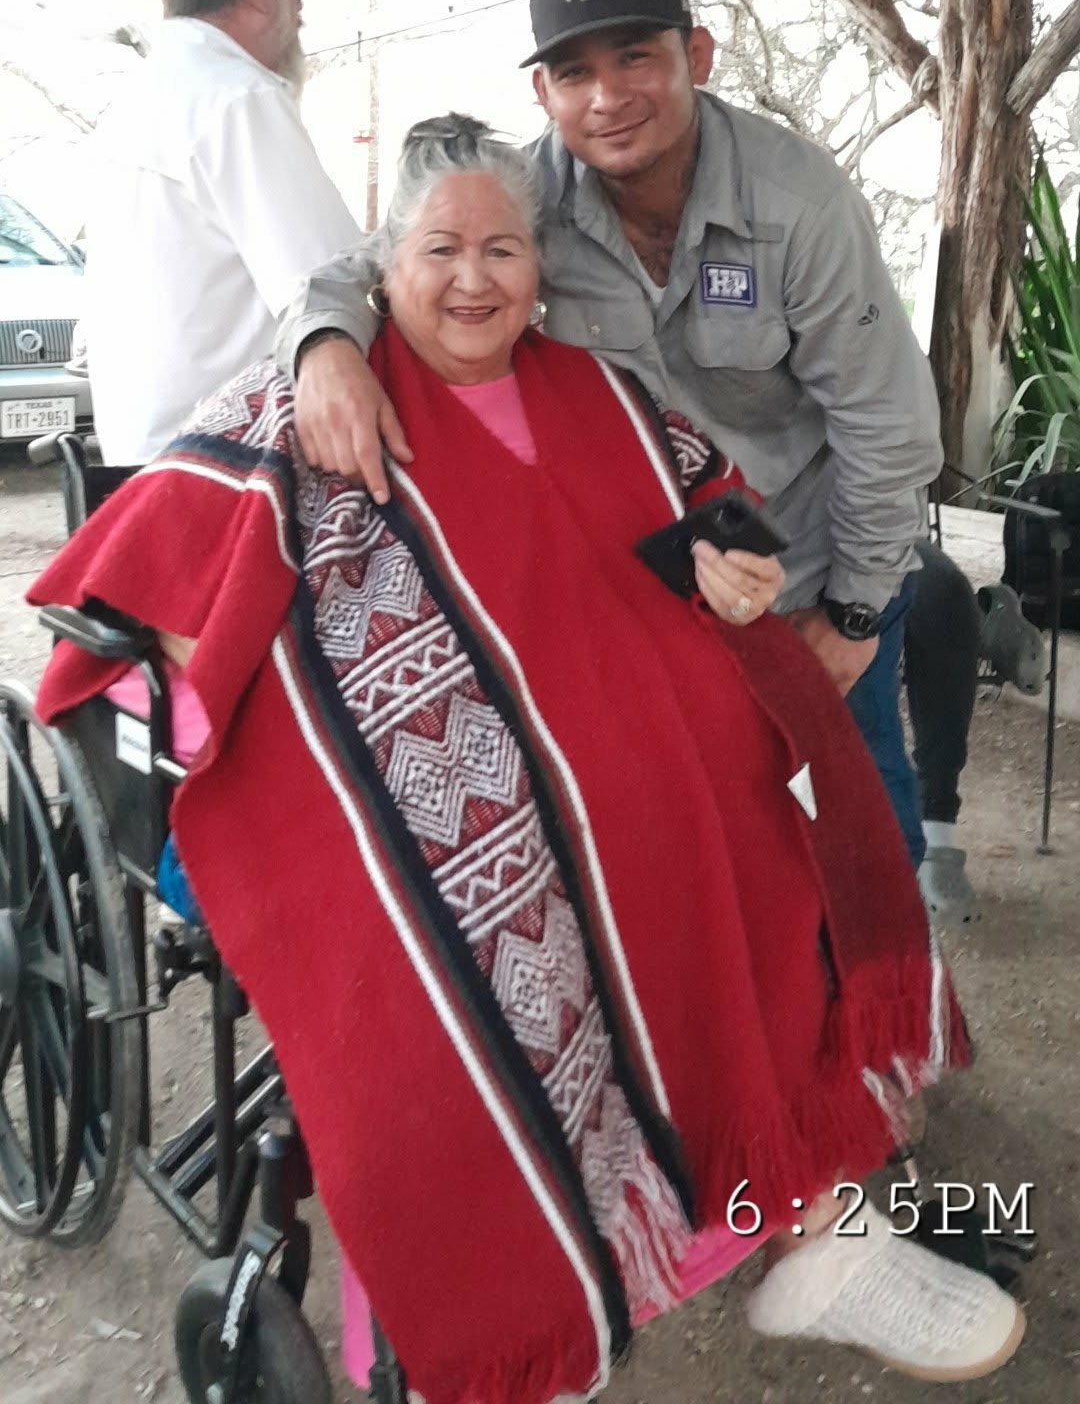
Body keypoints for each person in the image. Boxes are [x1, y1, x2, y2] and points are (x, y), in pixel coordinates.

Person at [30, 119, 1022, 1404]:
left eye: (502, 249)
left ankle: (804, 1228)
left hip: (636, 772)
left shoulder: (601, 394)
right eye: (439, 249)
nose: (473, 278)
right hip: (428, 806)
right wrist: (234, 685)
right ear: (384, 265)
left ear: (540, 271)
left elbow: (716, 524)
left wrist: (739, 576)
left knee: (770, 846)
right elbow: (133, 590)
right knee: (480, 923)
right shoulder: (306, 401)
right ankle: (526, 1297)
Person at [277, 0, 942, 869]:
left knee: (859, 834)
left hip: (808, 566)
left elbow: (887, 424)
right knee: (709, 840)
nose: (607, 97)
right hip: (653, 591)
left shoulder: (800, 204)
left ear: (695, 56)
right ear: (543, 94)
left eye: (635, 57)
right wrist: (325, 345)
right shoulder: (530, 199)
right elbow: (374, 264)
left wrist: (854, 614)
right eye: (574, 73)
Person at [83, 0, 360, 464]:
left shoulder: (141, 98)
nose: (299, 3)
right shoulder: (235, 96)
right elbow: (335, 288)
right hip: (226, 463)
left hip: (145, 458)